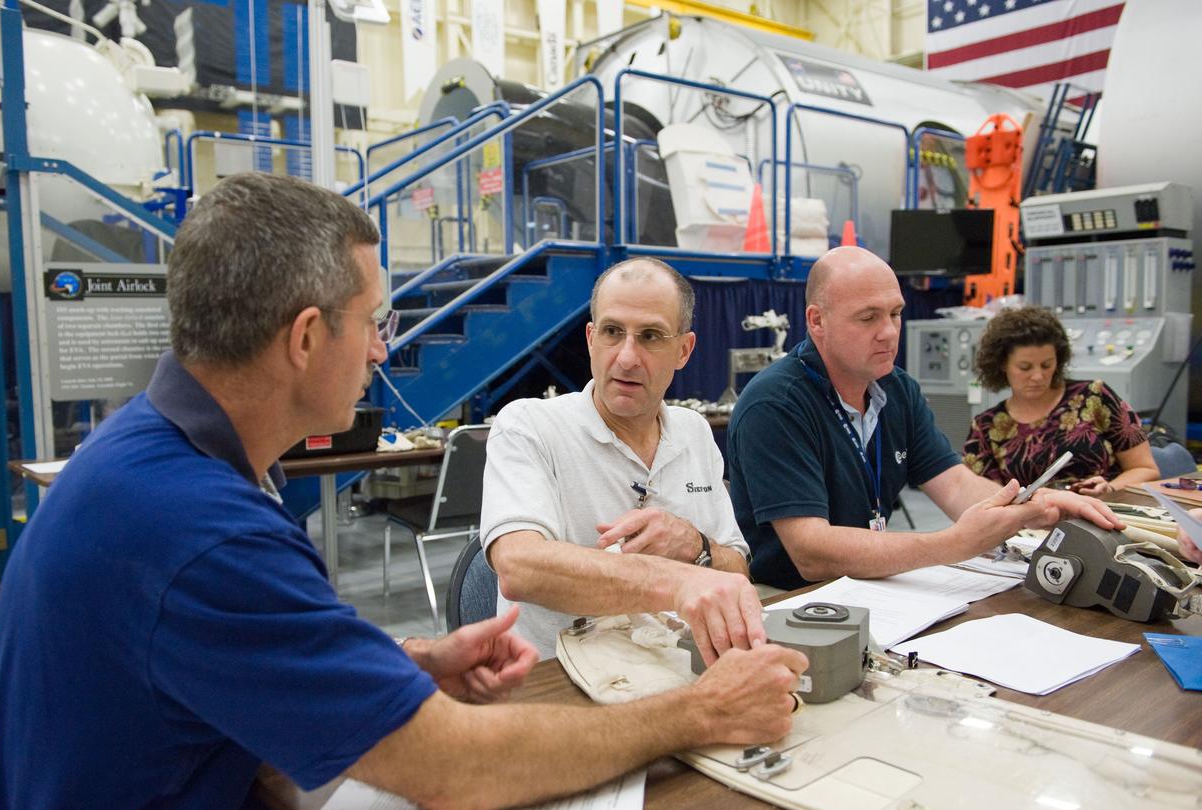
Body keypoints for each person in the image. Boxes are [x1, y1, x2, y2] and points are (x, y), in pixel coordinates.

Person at [0, 174, 807, 810]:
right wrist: (700, 710)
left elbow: (228, 659)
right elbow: (455, 773)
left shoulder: (154, 459)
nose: (384, 350)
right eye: (375, 322)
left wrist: (402, 666)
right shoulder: (204, 530)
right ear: (307, 337)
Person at [726, 246, 1121, 591]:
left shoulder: (897, 389)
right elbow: (811, 553)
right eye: (868, 318)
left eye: (896, 314)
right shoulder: (776, 403)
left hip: (873, 586)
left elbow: (954, 485)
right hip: (795, 599)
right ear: (817, 321)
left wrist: (1038, 504)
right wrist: (952, 543)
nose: (889, 332)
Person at [482, 257, 763, 665]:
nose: (627, 357)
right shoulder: (529, 426)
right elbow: (519, 567)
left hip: (680, 668)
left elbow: (737, 571)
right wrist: (679, 581)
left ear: (684, 350)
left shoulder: (694, 432)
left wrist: (695, 547)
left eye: (651, 336)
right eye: (613, 332)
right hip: (559, 682)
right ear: (591, 338)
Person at [962, 305, 1158, 496]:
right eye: (1025, 367)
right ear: (1002, 365)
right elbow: (986, 504)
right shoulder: (986, 428)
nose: (1038, 376)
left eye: (1047, 365)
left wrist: (1110, 489)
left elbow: (1145, 469)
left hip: (1105, 516)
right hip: (1032, 526)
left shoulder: (1095, 397)